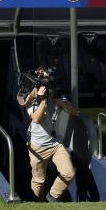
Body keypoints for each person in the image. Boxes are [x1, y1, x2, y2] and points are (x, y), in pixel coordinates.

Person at [25, 68, 79, 202]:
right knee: (39, 180)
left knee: (69, 173)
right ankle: (37, 206)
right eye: (43, 79)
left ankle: (52, 196)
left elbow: (75, 112)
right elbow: (36, 118)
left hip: (55, 144)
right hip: (37, 146)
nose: (46, 84)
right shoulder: (31, 97)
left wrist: (60, 101)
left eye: (48, 79)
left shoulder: (55, 94)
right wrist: (42, 100)